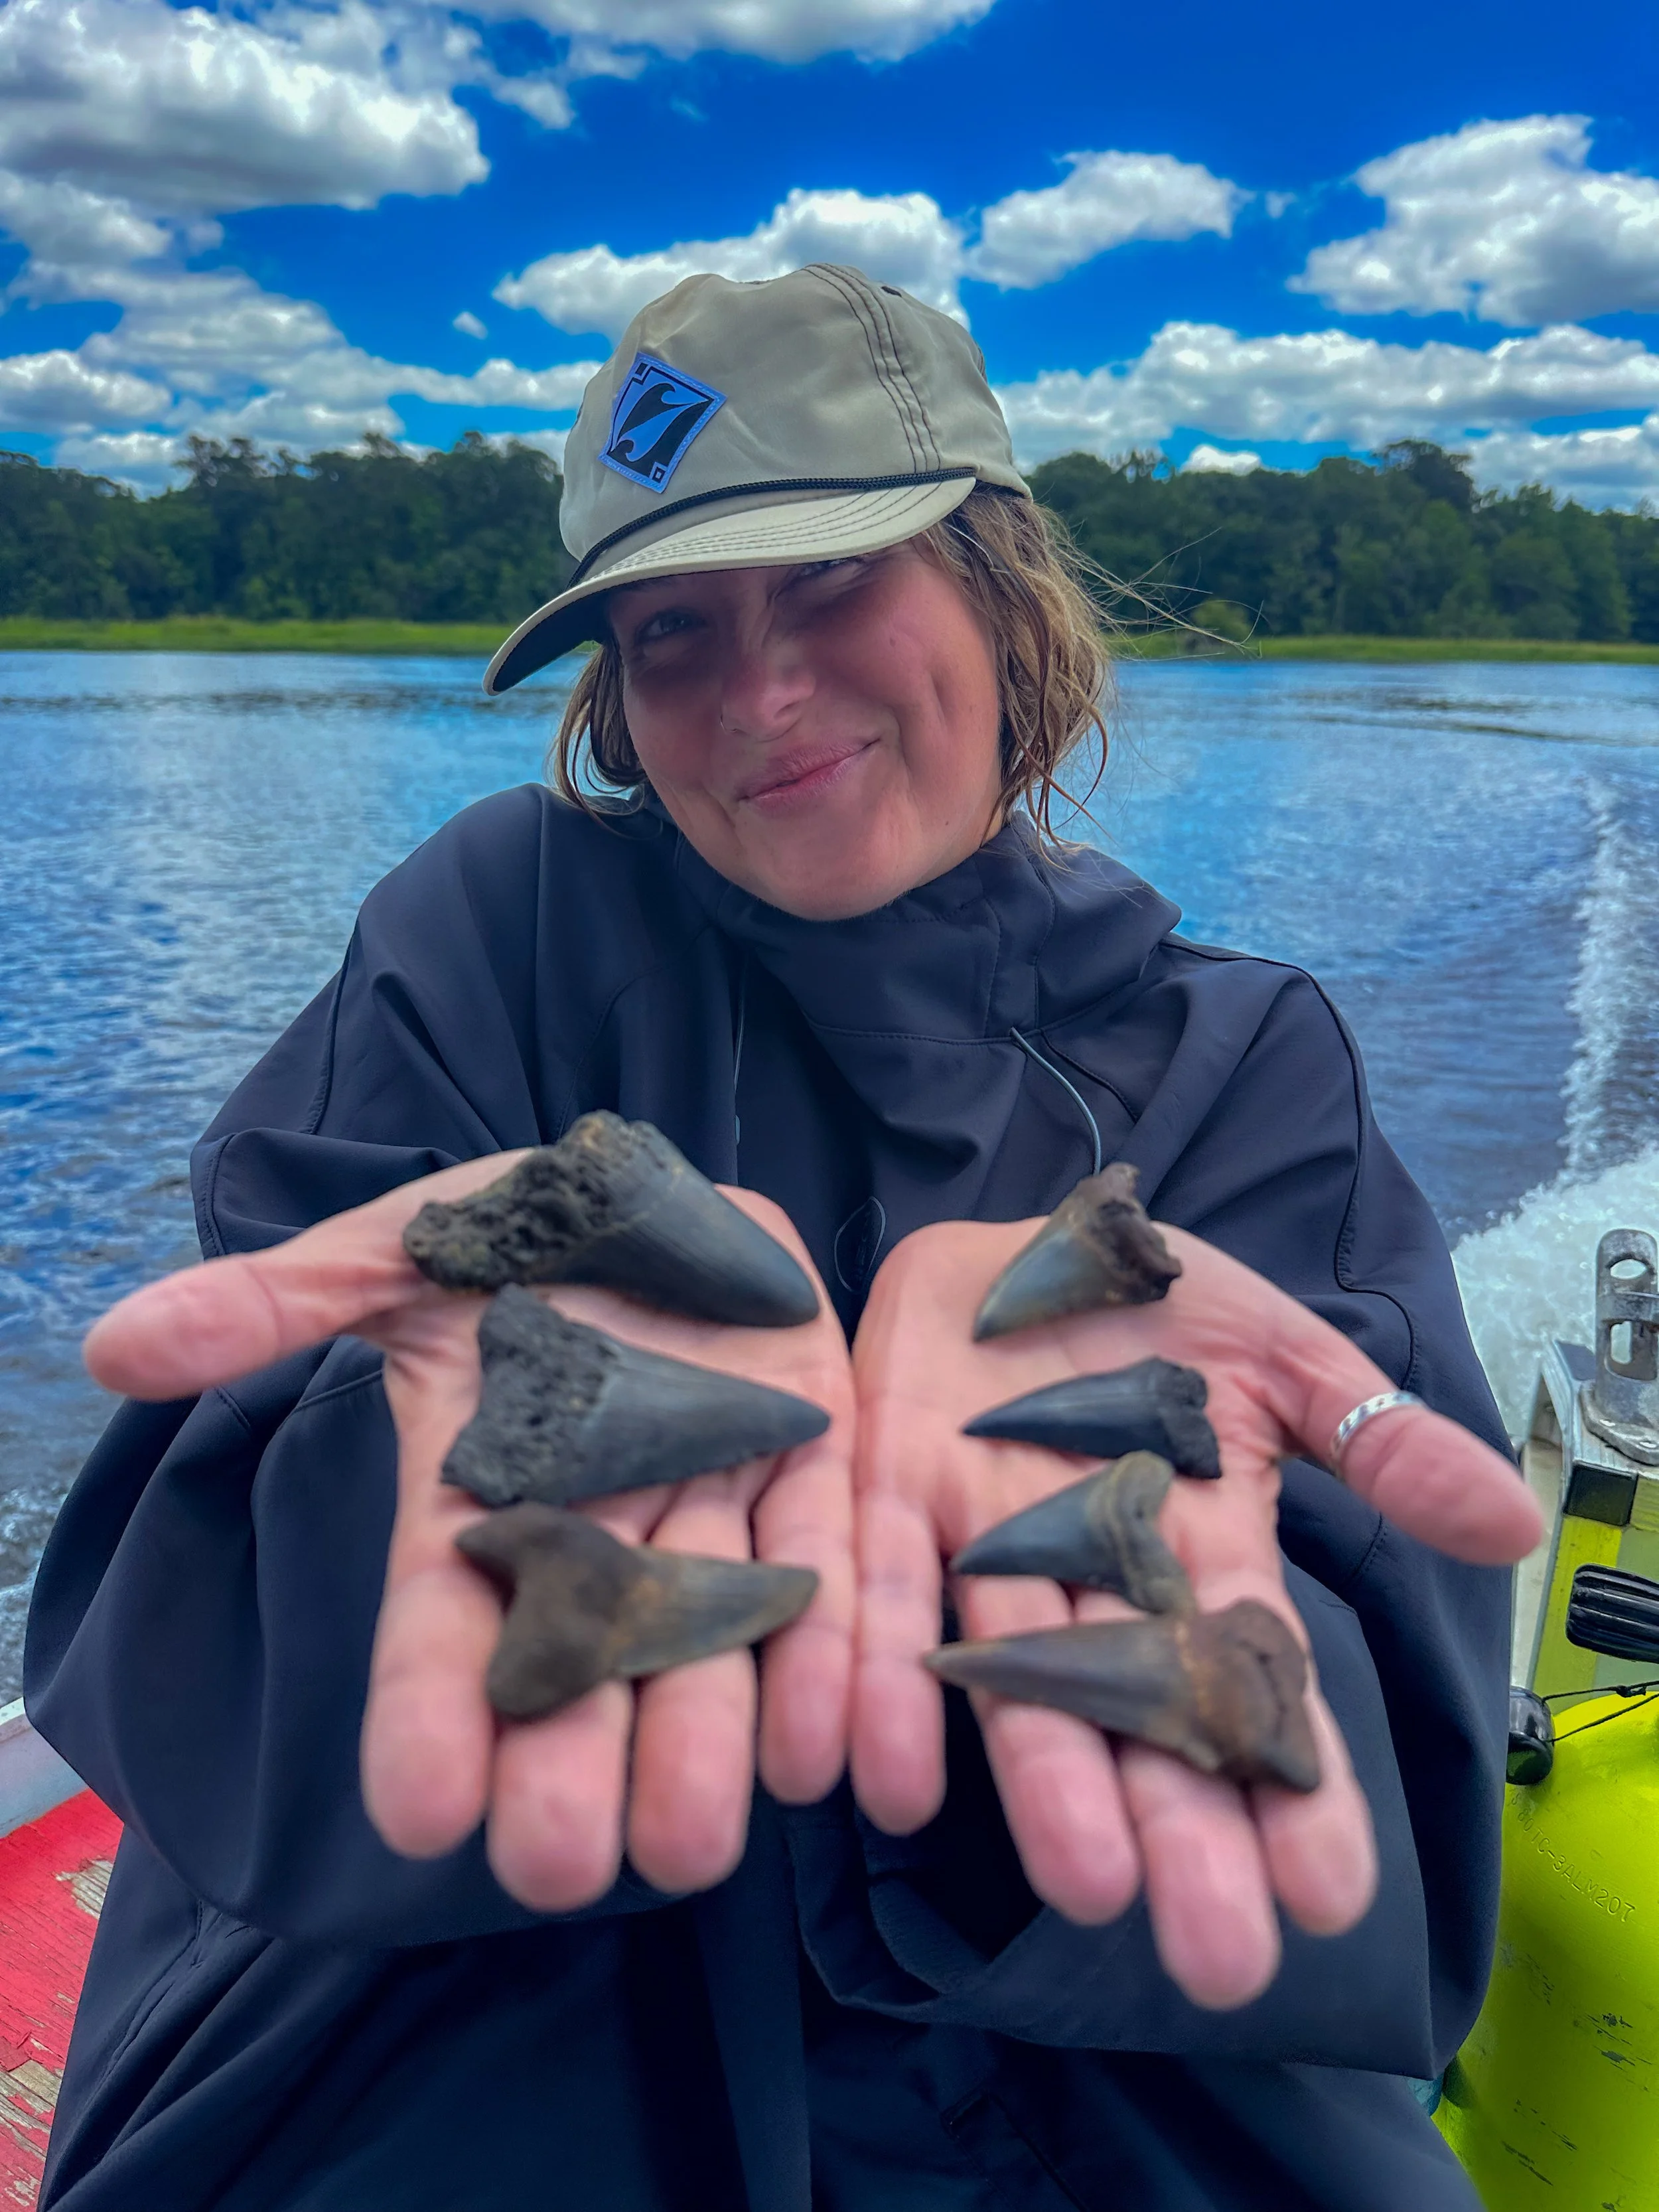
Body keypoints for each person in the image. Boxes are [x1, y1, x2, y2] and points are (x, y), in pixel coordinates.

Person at [27, 265, 1540, 2211]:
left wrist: (1095, 1563)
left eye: (831, 580)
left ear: (999, 583)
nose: (759, 693)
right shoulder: (488, 938)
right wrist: (424, 1464)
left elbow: (1377, 1757)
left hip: (1097, 2075)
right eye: (674, 630)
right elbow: (205, 1570)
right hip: (469, 2015)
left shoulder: (1238, 1062)